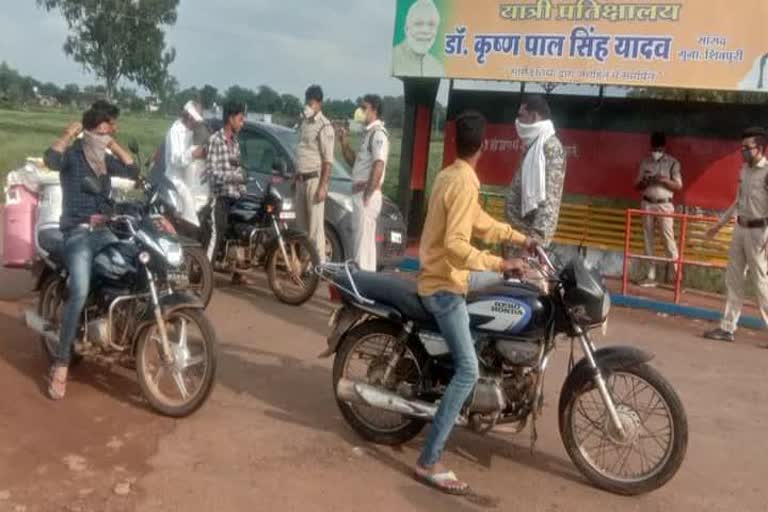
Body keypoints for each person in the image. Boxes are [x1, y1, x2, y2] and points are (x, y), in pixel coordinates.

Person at [416, 111, 536, 494]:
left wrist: (519, 239)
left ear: (456, 143)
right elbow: (455, 244)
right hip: (444, 285)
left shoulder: (449, 174)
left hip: (446, 277)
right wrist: (501, 262)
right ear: (482, 146)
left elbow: (479, 219)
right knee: (467, 370)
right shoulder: (464, 181)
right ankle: (429, 459)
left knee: (501, 293)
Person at [45, 101, 139, 400]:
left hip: (104, 232)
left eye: (110, 129)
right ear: (89, 131)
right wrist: (68, 133)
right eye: (105, 128)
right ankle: (60, 364)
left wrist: (112, 142)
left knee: (134, 266)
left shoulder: (103, 160)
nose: (109, 133)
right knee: (81, 290)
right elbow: (50, 160)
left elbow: (133, 169)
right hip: (77, 234)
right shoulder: (73, 156)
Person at [704, 127, 768, 344]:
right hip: (740, 229)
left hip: (760, 232)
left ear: (759, 148)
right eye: (742, 147)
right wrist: (718, 226)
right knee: (734, 280)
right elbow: (737, 202)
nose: (743, 151)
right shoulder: (744, 171)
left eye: (747, 148)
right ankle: (727, 327)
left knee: (760, 282)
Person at [505, 95, 567, 249]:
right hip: (516, 239)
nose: (517, 121)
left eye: (521, 115)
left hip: (528, 245)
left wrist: (536, 241)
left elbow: (550, 200)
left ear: (533, 116)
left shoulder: (550, 147)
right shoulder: (533, 145)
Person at [338, 95, 390, 271]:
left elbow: (379, 164)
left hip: (366, 194)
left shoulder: (378, 134)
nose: (360, 111)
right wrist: (344, 144)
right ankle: (364, 284)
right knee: (363, 244)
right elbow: (356, 164)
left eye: (364, 107)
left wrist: (368, 192)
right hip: (361, 193)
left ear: (374, 110)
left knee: (362, 247)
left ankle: (361, 288)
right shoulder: (367, 134)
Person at [204, 101, 248, 283]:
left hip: (233, 197)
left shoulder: (235, 143)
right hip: (219, 196)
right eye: (240, 118)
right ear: (230, 119)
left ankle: (237, 272)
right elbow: (212, 172)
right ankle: (204, 278)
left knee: (243, 232)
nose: (242, 122)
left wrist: (243, 187)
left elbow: (237, 170)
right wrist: (233, 178)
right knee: (217, 233)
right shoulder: (215, 140)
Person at [633, 132, 683, 287]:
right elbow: (636, 185)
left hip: (665, 204)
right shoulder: (645, 162)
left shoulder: (673, 163)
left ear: (664, 147)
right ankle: (650, 275)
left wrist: (663, 180)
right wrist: (646, 182)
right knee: (648, 239)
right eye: (654, 148)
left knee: (668, 239)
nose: (656, 151)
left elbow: (678, 186)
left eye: (659, 149)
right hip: (647, 202)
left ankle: (677, 277)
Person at [295, 85, 334, 263]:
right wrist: (295, 178)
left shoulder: (324, 126)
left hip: (314, 180)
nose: (308, 107)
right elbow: (301, 151)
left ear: (319, 103)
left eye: (311, 103)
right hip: (301, 180)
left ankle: (318, 266)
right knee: (302, 228)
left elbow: (328, 160)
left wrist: (323, 186)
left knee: (315, 228)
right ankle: (305, 266)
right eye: (307, 102)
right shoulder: (304, 123)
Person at [164, 100, 206, 226]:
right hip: (174, 178)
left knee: (202, 196)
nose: (196, 123)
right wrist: (193, 154)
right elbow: (175, 160)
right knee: (187, 201)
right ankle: (189, 228)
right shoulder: (175, 131)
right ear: (189, 116)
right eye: (195, 119)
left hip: (187, 175)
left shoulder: (191, 131)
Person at [392, 0, 444, 77]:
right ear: (406, 29)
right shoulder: (393, 59)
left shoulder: (438, 67)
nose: (425, 31)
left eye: (431, 24)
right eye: (418, 24)